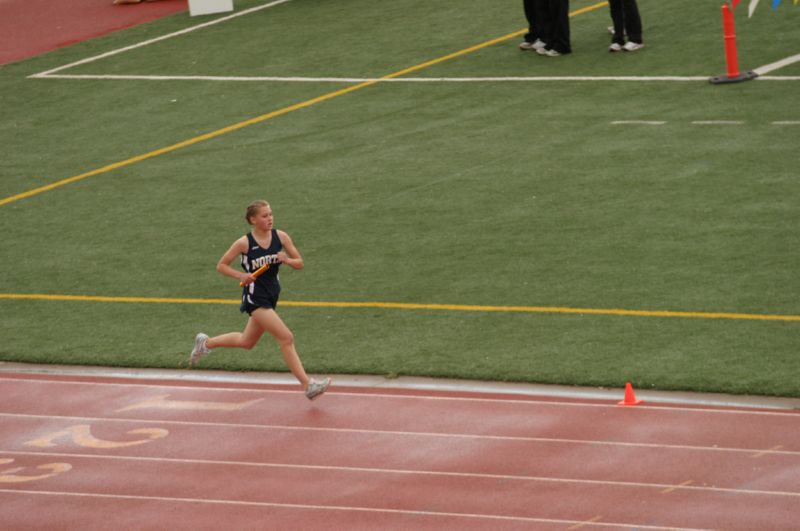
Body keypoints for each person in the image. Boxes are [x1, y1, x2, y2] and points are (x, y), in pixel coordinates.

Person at [189, 200, 331, 401]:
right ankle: (308, 385)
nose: (270, 218)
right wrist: (241, 276)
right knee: (286, 337)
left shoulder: (280, 237)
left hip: (272, 295)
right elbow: (221, 265)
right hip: (255, 297)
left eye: (271, 214)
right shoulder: (244, 243)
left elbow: (299, 263)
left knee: (246, 342)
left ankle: (205, 343)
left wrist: (287, 260)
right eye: (264, 216)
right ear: (253, 220)